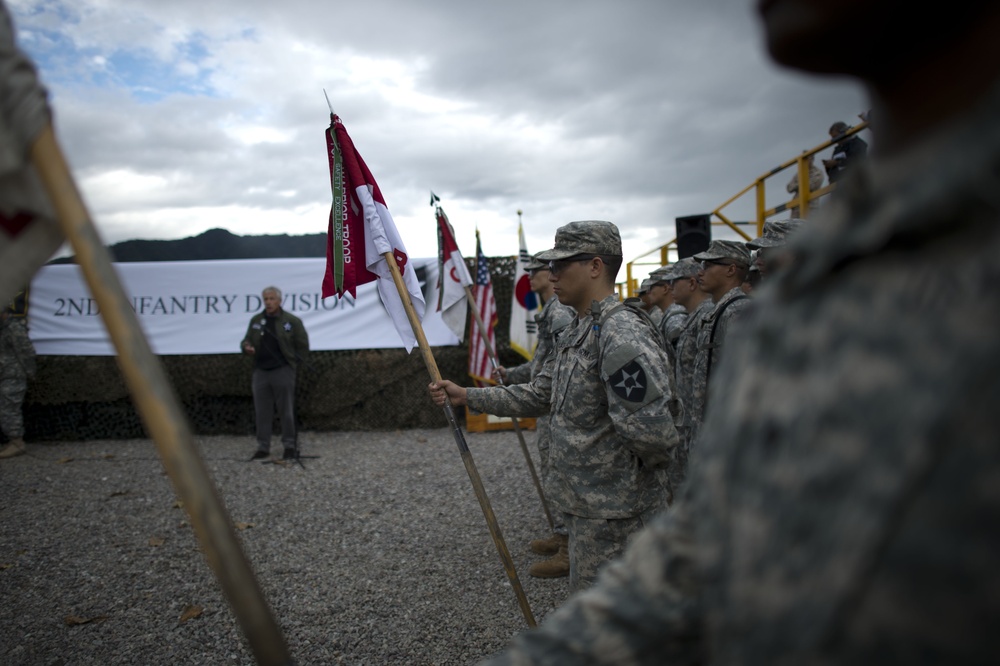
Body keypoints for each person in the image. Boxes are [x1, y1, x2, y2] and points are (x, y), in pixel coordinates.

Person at [477, 0, 1000, 661]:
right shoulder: (845, 258)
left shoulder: (671, 321)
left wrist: (641, 490)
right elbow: (719, 540)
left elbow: (658, 435)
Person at [430, 221, 680, 590]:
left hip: (617, 513)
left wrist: (635, 488)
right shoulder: (583, 329)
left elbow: (653, 432)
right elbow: (542, 392)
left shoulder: (619, 332)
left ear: (595, 266)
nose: (551, 273)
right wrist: (468, 396)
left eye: (561, 264)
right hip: (590, 507)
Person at [495, 254, 575, 579]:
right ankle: (561, 533)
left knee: (563, 475)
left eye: (535, 271)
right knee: (553, 473)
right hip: (547, 406)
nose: (529, 276)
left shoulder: (560, 313)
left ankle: (570, 548)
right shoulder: (550, 311)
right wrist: (511, 374)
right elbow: (542, 364)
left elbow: (559, 367)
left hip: (557, 408)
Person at [687, 240, 751, 444]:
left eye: (708, 265)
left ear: (731, 269)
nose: (700, 273)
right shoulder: (720, 310)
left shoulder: (737, 311)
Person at [241, 286, 309, 461]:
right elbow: (246, 339)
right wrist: (246, 347)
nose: (268, 302)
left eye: (272, 299)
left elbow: (302, 345)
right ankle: (263, 447)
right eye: (266, 299)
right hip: (261, 372)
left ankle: (289, 446)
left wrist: (294, 365)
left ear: (279, 300)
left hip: (283, 370)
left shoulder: (291, 321)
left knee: (286, 410)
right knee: (262, 411)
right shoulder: (256, 320)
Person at [0, 288, 36, 459]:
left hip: (12, 374)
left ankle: (16, 442)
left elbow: (26, 351)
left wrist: (30, 372)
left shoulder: (13, 326)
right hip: (6, 371)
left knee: (8, 408)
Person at [785, 152, 824, 216]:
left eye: (806, 158)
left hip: (811, 207)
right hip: (796, 207)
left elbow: (811, 186)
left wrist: (797, 185)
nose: (804, 161)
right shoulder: (799, 174)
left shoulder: (817, 172)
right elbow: (789, 188)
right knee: (794, 226)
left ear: (812, 159)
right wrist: (800, 185)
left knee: (809, 225)